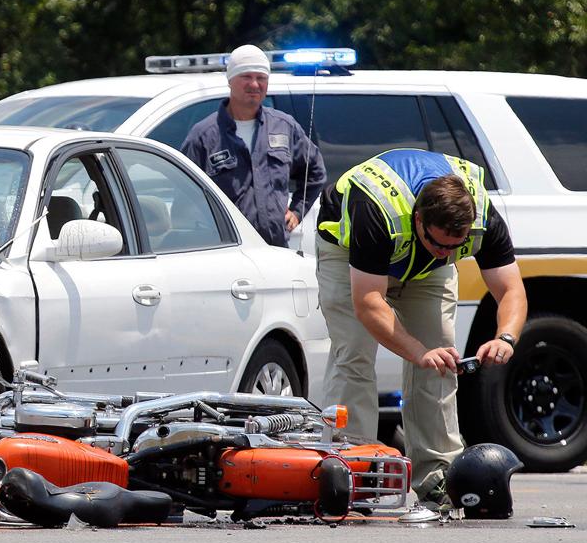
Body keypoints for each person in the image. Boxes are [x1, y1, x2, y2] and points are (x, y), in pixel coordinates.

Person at [315, 148, 527, 507]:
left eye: (454, 247)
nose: (444, 254)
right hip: (348, 253)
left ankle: (438, 477)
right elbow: (369, 304)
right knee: (353, 354)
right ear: (417, 220)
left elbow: (511, 289)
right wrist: (417, 351)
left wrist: (505, 337)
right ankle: (351, 468)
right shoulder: (376, 211)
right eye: (437, 243)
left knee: (443, 358)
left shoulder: (481, 219)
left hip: (415, 264)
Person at [181, 44, 326, 247]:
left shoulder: (284, 127)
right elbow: (184, 192)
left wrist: (297, 211)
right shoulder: (204, 136)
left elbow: (315, 171)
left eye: (261, 78)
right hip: (225, 250)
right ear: (230, 80)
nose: (255, 84)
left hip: (275, 249)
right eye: (246, 77)